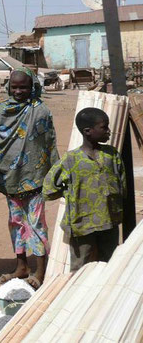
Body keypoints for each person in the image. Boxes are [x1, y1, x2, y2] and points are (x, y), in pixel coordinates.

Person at [0, 68, 59, 290]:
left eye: (24, 87)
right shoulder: (1, 110)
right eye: (15, 87)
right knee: (16, 223)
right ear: (8, 87)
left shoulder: (41, 111)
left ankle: (40, 270)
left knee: (37, 224)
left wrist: (55, 173)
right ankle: (21, 266)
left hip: (34, 178)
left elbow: (49, 142)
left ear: (32, 87)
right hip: (9, 178)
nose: (19, 91)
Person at [43, 108, 125, 271]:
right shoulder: (71, 159)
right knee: (81, 268)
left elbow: (122, 186)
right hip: (82, 224)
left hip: (109, 223)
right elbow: (49, 189)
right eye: (104, 127)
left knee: (109, 265)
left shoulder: (112, 155)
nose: (109, 131)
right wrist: (71, 193)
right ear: (88, 131)